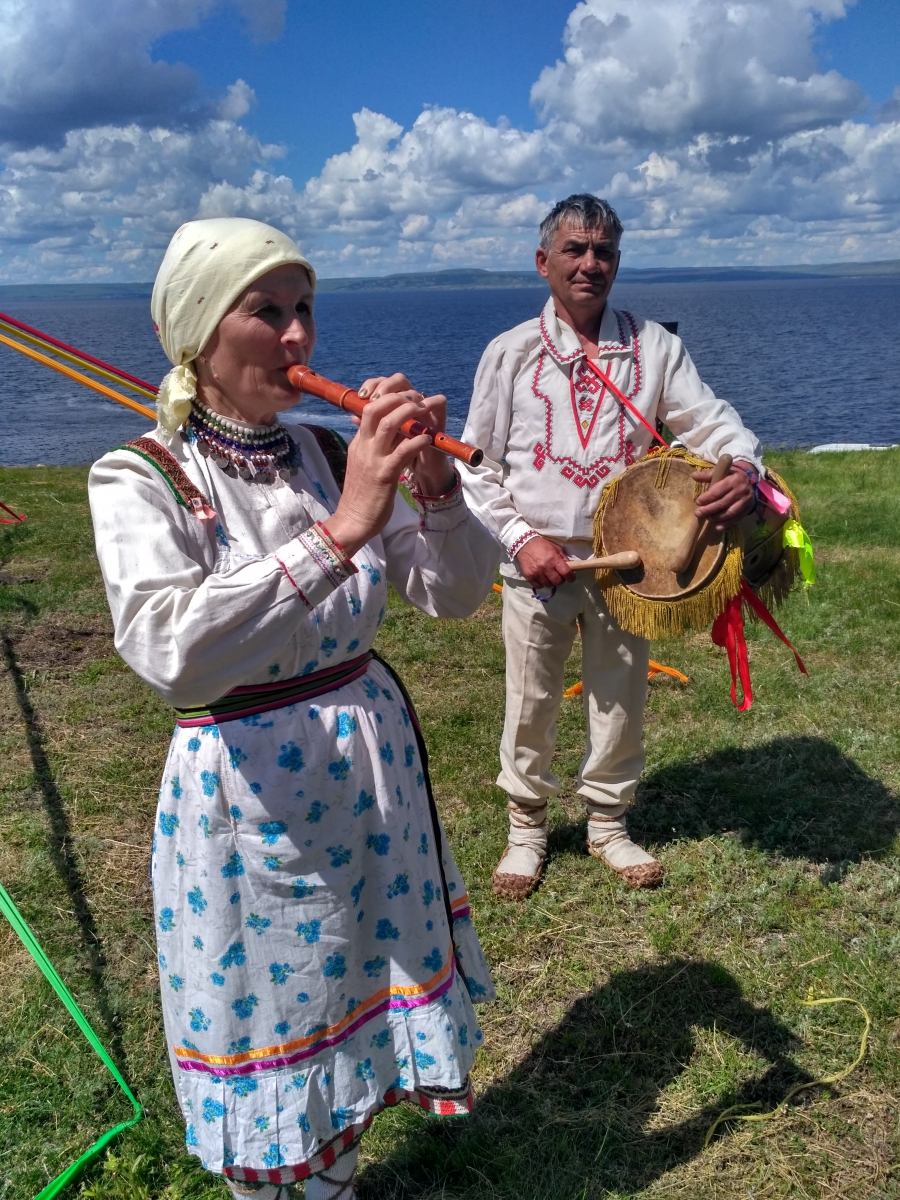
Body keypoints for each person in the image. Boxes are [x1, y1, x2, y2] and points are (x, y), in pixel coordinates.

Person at [88, 218, 499, 1197]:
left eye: (305, 308)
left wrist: (436, 488)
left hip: (368, 783)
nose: (298, 337)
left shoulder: (323, 450)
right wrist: (348, 526)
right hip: (249, 802)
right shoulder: (141, 476)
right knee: (278, 1012)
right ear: (197, 330)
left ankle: (337, 1172)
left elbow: (452, 594)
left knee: (354, 985)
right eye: (266, 310)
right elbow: (173, 652)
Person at [458, 194, 763, 900]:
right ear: (544, 262)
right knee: (530, 697)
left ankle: (608, 826)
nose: (590, 263)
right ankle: (526, 831)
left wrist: (742, 467)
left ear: (617, 263)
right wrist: (522, 538)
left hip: (631, 565)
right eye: (575, 250)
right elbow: (478, 466)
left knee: (620, 695)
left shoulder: (655, 348)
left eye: (604, 252)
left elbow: (711, 422)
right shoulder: (508, 354)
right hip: (535, 559)